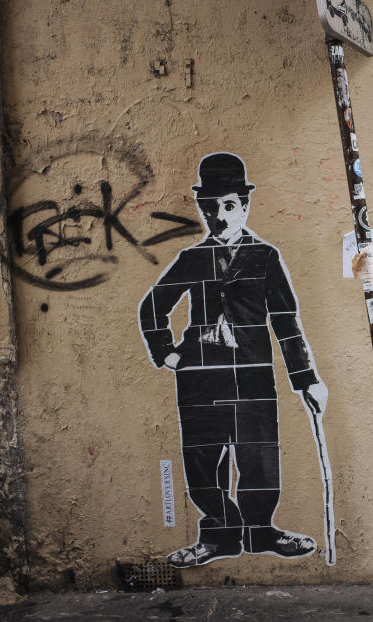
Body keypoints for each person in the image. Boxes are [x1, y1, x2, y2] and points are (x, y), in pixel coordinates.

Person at [138, 152, 328, 568]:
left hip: (253, 375)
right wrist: (167, 353)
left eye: (228, 205)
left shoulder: (265, 257)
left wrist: (307, 378)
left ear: (244, 206)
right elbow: (153, 305)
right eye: (210, 207)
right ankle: (219, 535)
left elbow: (286, 321)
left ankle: (261, 532)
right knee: (203, 462)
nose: (219, 216)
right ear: (203, 209)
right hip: (200, 378)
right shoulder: (192, 259)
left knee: (259, 459)